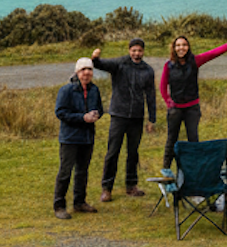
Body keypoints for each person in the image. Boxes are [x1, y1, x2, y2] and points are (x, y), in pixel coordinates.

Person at [159, 33, 227, 177]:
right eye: (178, 45)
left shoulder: (195, 61)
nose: (181, 48)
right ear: (174, 48)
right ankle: (166, 170)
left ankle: (194, 169)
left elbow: (214, 53)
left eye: (184, 45)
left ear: (188, 47)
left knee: (193, 139)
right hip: (175, 109)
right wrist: (168, 102)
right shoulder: (168, 66)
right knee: (171, 139)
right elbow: (163, 86)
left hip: (192, 109)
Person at [91, 38, 157, 201]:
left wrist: (152, 119)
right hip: (118, 115)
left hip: (137, 116)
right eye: (134, 50)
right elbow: (100, 65)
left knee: (133, 153)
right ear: (129, 50)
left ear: (143, 51)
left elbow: (150, 95)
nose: (136, 53)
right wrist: (95, 58)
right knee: (113, 152)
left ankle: (131, 186)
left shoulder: (147, 70)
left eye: (139, 50)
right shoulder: (119, 64)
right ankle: (106, 188)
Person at [53, 58, 104, 219]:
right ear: (77, 72)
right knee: (65, 172)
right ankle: (59, 206)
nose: (87, 73)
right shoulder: (66, 90)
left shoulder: (94, 90)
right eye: (83, 70)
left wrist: (96, 115)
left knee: (82, 171)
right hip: (70, 138)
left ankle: (79, 202)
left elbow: (100, 109)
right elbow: (60, 112)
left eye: (89, 69)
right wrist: (82, 118)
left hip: (87, 137)